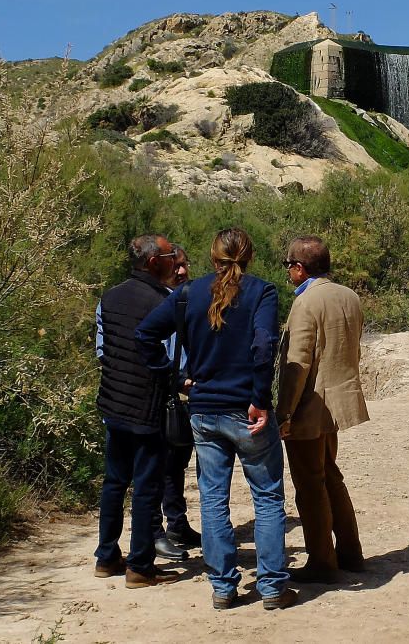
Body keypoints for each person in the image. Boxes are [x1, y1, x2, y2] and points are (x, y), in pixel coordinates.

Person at [136, 228, 297, 611]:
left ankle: (223, 587)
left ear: (212, 258)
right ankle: (272, 588)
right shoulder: (263, 292)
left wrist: (176, 378)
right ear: (250, 256)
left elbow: (145, 334)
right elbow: (262, 346)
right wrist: (260, 399)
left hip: (204, 410)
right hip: (247, 410)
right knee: (268, 497)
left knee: (212, 498)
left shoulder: (188, 294)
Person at [276, 235, 370, 584]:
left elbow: (296, 363)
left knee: (310, 484)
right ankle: (351, 553)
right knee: (331, 476)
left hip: (310, 405)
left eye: (289, 265)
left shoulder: (306, 304)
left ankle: (322, 561)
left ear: (299, 268)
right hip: (339, 402)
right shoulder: (349, 296)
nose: (288, 272)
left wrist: (284, 413)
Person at [93, 234, 180, 589]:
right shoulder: (163, 301)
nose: (175, 260)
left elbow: (104, 349)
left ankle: (106, 556)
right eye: (170, 254)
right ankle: (141, 566)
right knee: (147, 486)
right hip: (147, 406)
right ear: (153, 261)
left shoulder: (110, 295)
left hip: (113, 402)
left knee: (114, 482)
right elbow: (171, 357)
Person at [151, 245, 202, 560]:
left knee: (177, 463)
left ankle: (177, 523)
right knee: (156, 466)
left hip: (188, 397)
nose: (182, 271)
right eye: (176, 265)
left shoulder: (192, 301)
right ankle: (153, 530)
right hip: (157, 395)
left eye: (185, 265)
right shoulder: (150, 303)